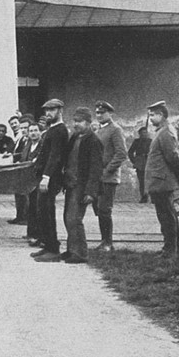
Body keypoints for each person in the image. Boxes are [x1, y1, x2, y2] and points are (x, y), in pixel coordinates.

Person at [62, 107, 103, 264]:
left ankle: (81, 253)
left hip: (82, 186)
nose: (75, 124)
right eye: (74, 121)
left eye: (79, 121)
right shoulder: (75, 138)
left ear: (88, 122)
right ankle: (71, 249)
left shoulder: (93, 141)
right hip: (71, 184)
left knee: (75, 219)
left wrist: (91, 192)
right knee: (67, 218)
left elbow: (96, 169)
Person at [144, 100, 179, 258]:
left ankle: (170, 250)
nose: (151, 118)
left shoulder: (166, 132)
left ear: (161, 115)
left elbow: (173, 157)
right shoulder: (162, 131)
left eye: (153, 115)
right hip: (160, 181)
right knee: (168, 215)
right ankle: (174, 248)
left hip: (162, 182)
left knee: (166, 217)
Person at [32, 99, 69, 263]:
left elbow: (55, 157)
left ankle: (53, 249)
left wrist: (46, 177)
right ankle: (48, 245)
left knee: (47, 211)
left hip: (51, 178)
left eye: (52, 110)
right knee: (42, 211)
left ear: (60, 110)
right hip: (45, 176)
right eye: (46, 110)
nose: (48, 113)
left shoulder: (60, 130)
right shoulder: (51, 129)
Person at [93, 100, 128, 252]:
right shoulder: (98, 130)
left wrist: (107, 171)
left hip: (108, 178)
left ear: (110, 113)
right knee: (99, 210)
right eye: (97, 113)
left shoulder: (115, 130)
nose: (99, 115)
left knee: (104, 210)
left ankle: (108, 243)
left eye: (102, 113)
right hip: (97, 178)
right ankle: (104, 241)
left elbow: (121, 154)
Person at [22, 122, 44, 245]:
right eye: (31, 131)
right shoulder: (29, 144)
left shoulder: (42, 145)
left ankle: (38, 235)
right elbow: (23, 159)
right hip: (28, 179)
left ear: (40, 132)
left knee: (37, 206)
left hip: (38, 179)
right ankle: (31, 233)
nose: (33, 133)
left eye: (35, 130)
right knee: (30, 206)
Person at [8, 114, 30, 225]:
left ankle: (25, 217)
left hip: (24, 170)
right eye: (22, 128)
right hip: (18, 169)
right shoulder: (21, 138)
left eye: (25, 128)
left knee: (24, 195)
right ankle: (20, 216)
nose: (23, 130)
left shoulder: (29, 140)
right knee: (18, 194)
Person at [128, 126, 152, 203]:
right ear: (140, 134)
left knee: (150, 181)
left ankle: (152, 197)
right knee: (141, 181)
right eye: (142, 133)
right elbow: (130, 152)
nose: (144, 134)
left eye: (145, 132)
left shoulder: (151, 141)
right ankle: (143, 197)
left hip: (149, 162)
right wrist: (134, 161)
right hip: (140, 163)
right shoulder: (136, 142)